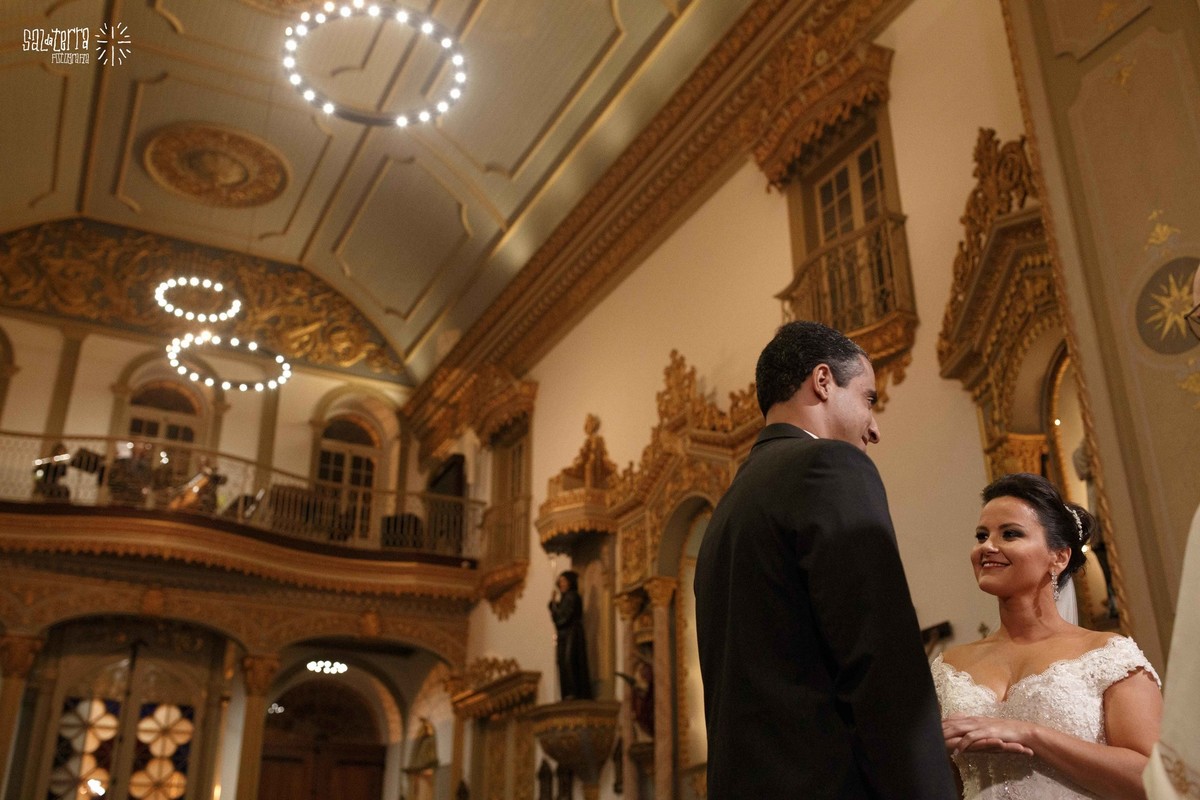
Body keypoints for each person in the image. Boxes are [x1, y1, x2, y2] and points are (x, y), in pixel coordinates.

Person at [694, 320, 955, 799]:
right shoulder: (828, 467)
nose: (874, 427)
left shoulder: (726, 514)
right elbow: (880, 659)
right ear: (822, 381)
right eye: (868, 398)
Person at [933, 472, 1163, 799]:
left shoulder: (1110, 657)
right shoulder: (947, 667)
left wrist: (1031, 735)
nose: (988, 546)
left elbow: (1156, 780)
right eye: (981, 535)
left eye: (1010, 534)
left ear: (1059, 557)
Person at [549, 570, 593, 700]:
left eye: (564, 581)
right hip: (563, 634)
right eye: (560, 581)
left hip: (572, 633)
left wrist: (554, 607)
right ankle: (567, 692)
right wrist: (554, 605)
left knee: (569, 661)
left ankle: (574, 691)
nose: (561, 584)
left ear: (570, 582)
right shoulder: (563, 599)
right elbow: (558, 620)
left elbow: (562, 618)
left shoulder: (572, 597)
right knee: (562, 662)